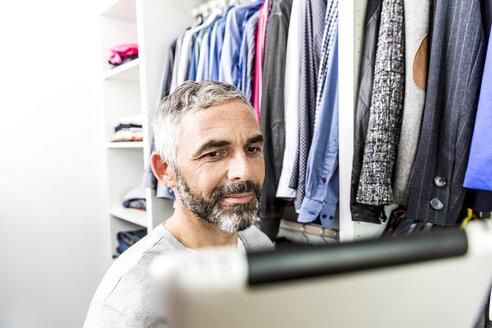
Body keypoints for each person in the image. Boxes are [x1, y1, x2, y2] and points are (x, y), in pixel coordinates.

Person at [84, 80, 274, 327]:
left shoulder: (258, 244)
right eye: (214, 154)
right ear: (165, 171)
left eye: (252, 148)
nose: (244, 171)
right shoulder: (128, 302)